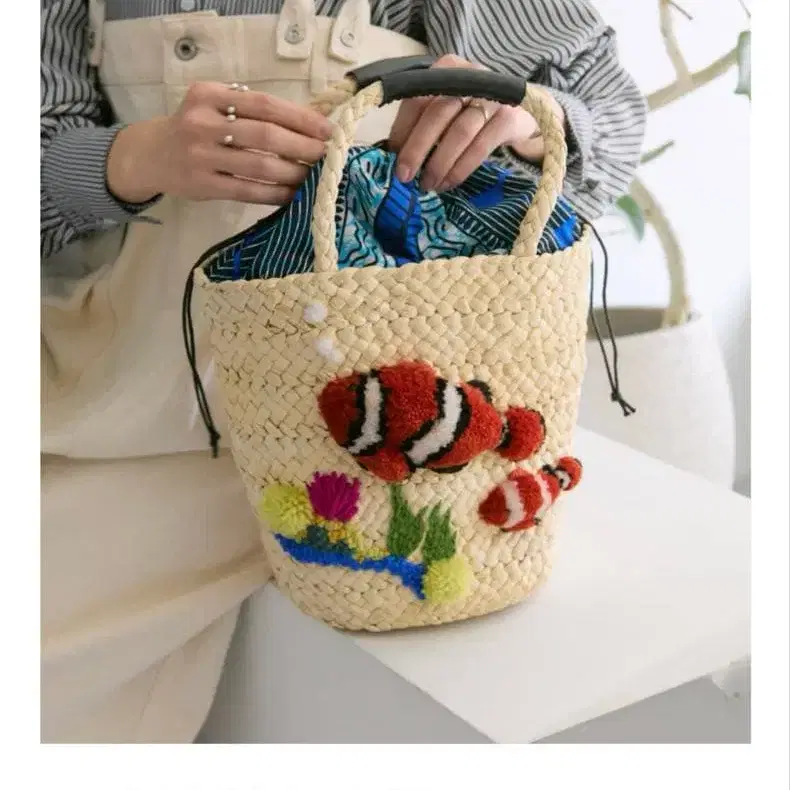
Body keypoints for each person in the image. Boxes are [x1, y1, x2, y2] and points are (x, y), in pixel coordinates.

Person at [41, 0, 646, 743]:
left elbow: (609, 119)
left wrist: (517, 122)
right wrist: (126, 160)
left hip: (374, 416)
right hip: (122, 422)